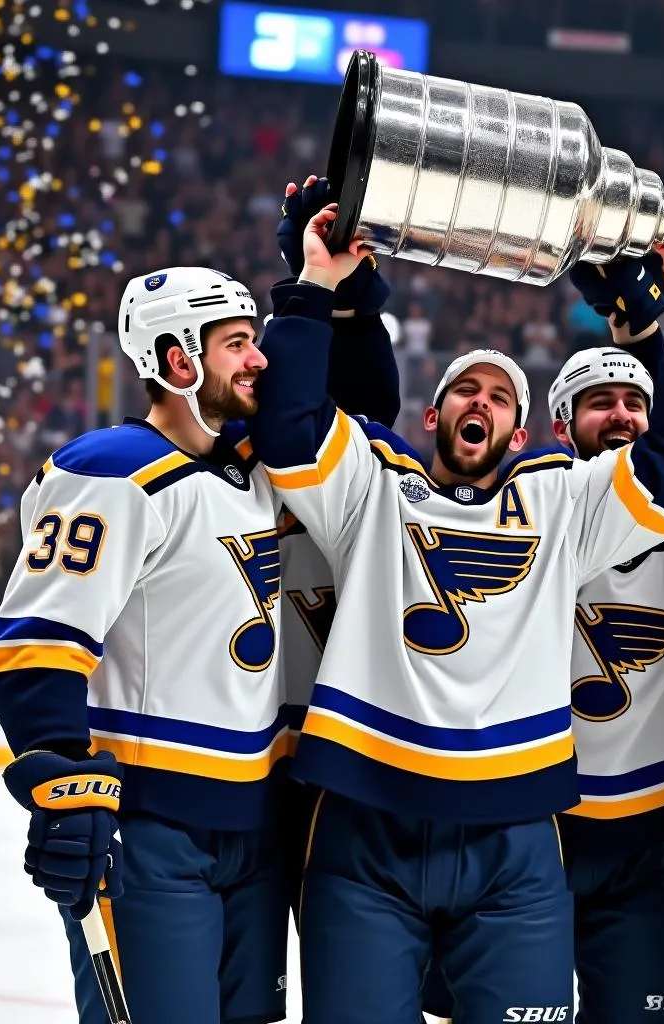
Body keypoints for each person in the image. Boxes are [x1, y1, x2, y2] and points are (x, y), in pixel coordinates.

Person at [249, 202, 664, 1024]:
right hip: (365, 822)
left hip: (514, 835)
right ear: (432, 418)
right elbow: (291, 429)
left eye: (501, 395)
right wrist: (315, 284)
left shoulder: (561, 502)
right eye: (465, 390)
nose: (483, 400)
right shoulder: (370, 487)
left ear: (518, 431)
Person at [0, 265, 303, 1024]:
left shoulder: (262, 469)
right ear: (178, 359)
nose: (257, 358)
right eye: (236, 343)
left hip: (258, 827)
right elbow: (37, 644)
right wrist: (65, 781)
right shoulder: (108, 474)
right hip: (153, 831)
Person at [551, 255, 664, 1024]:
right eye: (599, 403)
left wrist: (654, 335)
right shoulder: (530, 516)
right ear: (560, 425)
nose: (621, 415)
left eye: (635, 403)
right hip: (528, 839)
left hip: (643, 849)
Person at [272, 174, 402, 914]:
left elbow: (364, 408)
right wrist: (314, 287)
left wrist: (335, 295)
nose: (260, 365)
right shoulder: (215, 472)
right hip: (239, 762)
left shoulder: (363, 479)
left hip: (349, 763)